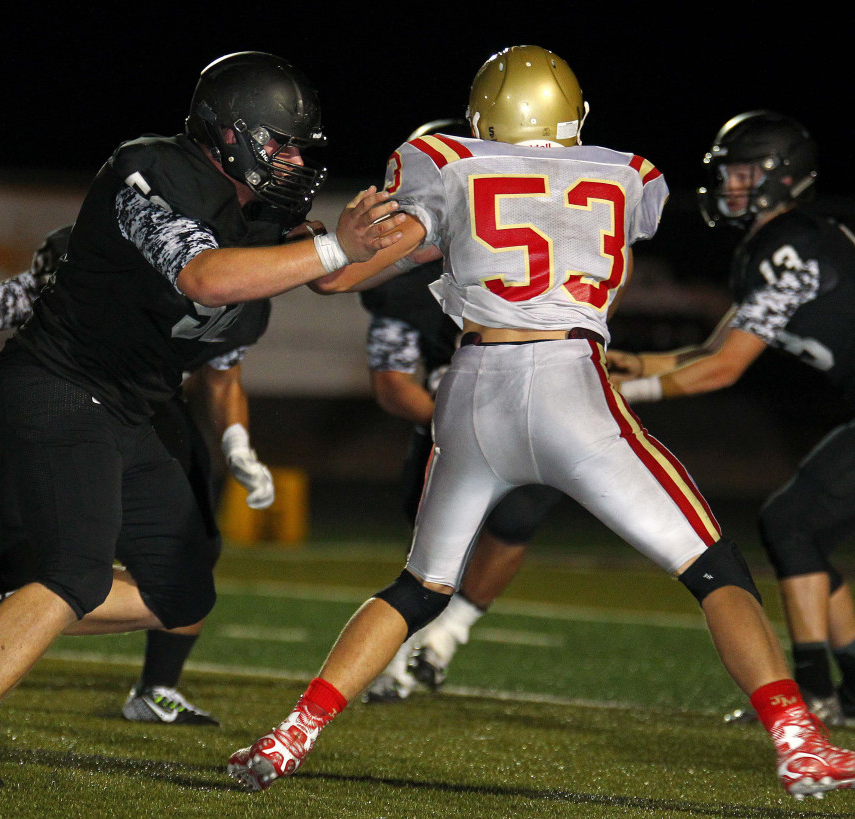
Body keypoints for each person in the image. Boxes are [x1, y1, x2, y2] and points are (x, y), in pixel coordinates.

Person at [226, 46, 855, 801]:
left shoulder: (443, 160)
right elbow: (577, 232)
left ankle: (292, 732)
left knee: (418, 588)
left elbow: (337, 277)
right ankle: (798, 739)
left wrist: (325, 244)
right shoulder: (631, 176)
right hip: (567, 381)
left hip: (472, 390)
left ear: (484, 113)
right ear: (570, 116)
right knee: (714, 567)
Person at [0, 49, 407, 787]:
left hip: (132, 403)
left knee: (181, 593)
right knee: (74, 574)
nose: (295, 159)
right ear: (228, 135)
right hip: (59, 383)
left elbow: (330, 271)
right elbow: (204, 273)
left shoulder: (260, 204)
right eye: (281, 142)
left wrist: (425, 236)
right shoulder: (151, 170)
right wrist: (335, 246)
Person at [0, 224, 276, 725]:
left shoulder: (226, 279)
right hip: (64, 398)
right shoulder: (108, 254)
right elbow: (8, 296)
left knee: (188, 555)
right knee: (29, 565)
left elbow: (223, 368)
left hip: (147, 405)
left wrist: (238, 445)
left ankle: (156, 686)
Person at [609, 110, 855, 728]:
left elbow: (725, 369)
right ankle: (842, 689)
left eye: (744, 173)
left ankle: (813, 691)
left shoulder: (790, 245)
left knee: (790, 520)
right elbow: (714, 348)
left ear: (783, 177)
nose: (731, 185)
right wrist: (630, 362)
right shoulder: (781, 241)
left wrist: (628, 394)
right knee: (804, 531)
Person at [357, 148, 562, 700]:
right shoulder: (400, 283)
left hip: (528, 413)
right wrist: (458, 424)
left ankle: (445, 638)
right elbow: (392, 381)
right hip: (447, 428)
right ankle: (399, 658)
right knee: (432, 550)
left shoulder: (523, 249)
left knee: (518, 518)